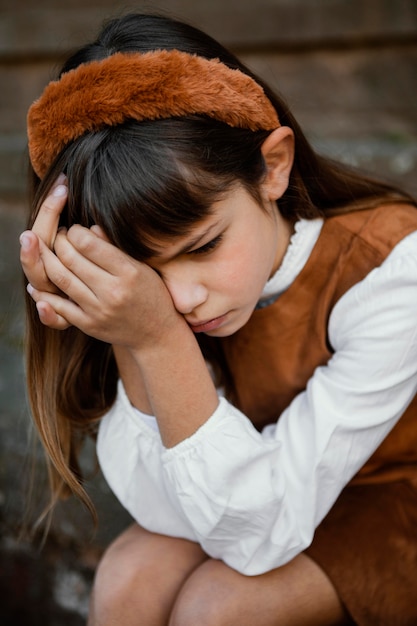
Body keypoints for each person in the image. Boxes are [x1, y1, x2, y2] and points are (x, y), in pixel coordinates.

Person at [20, 12, 417, 626]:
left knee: (218, 609)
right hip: (258, 494)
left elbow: (258, 535)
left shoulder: (392, 268)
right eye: (146, 275)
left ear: (273, 168)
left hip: (393, 503)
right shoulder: (165, 311)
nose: (179, 299)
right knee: (127, 579)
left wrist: (157, 342)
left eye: (202, 246)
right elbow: (172, 510)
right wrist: (129, 333)